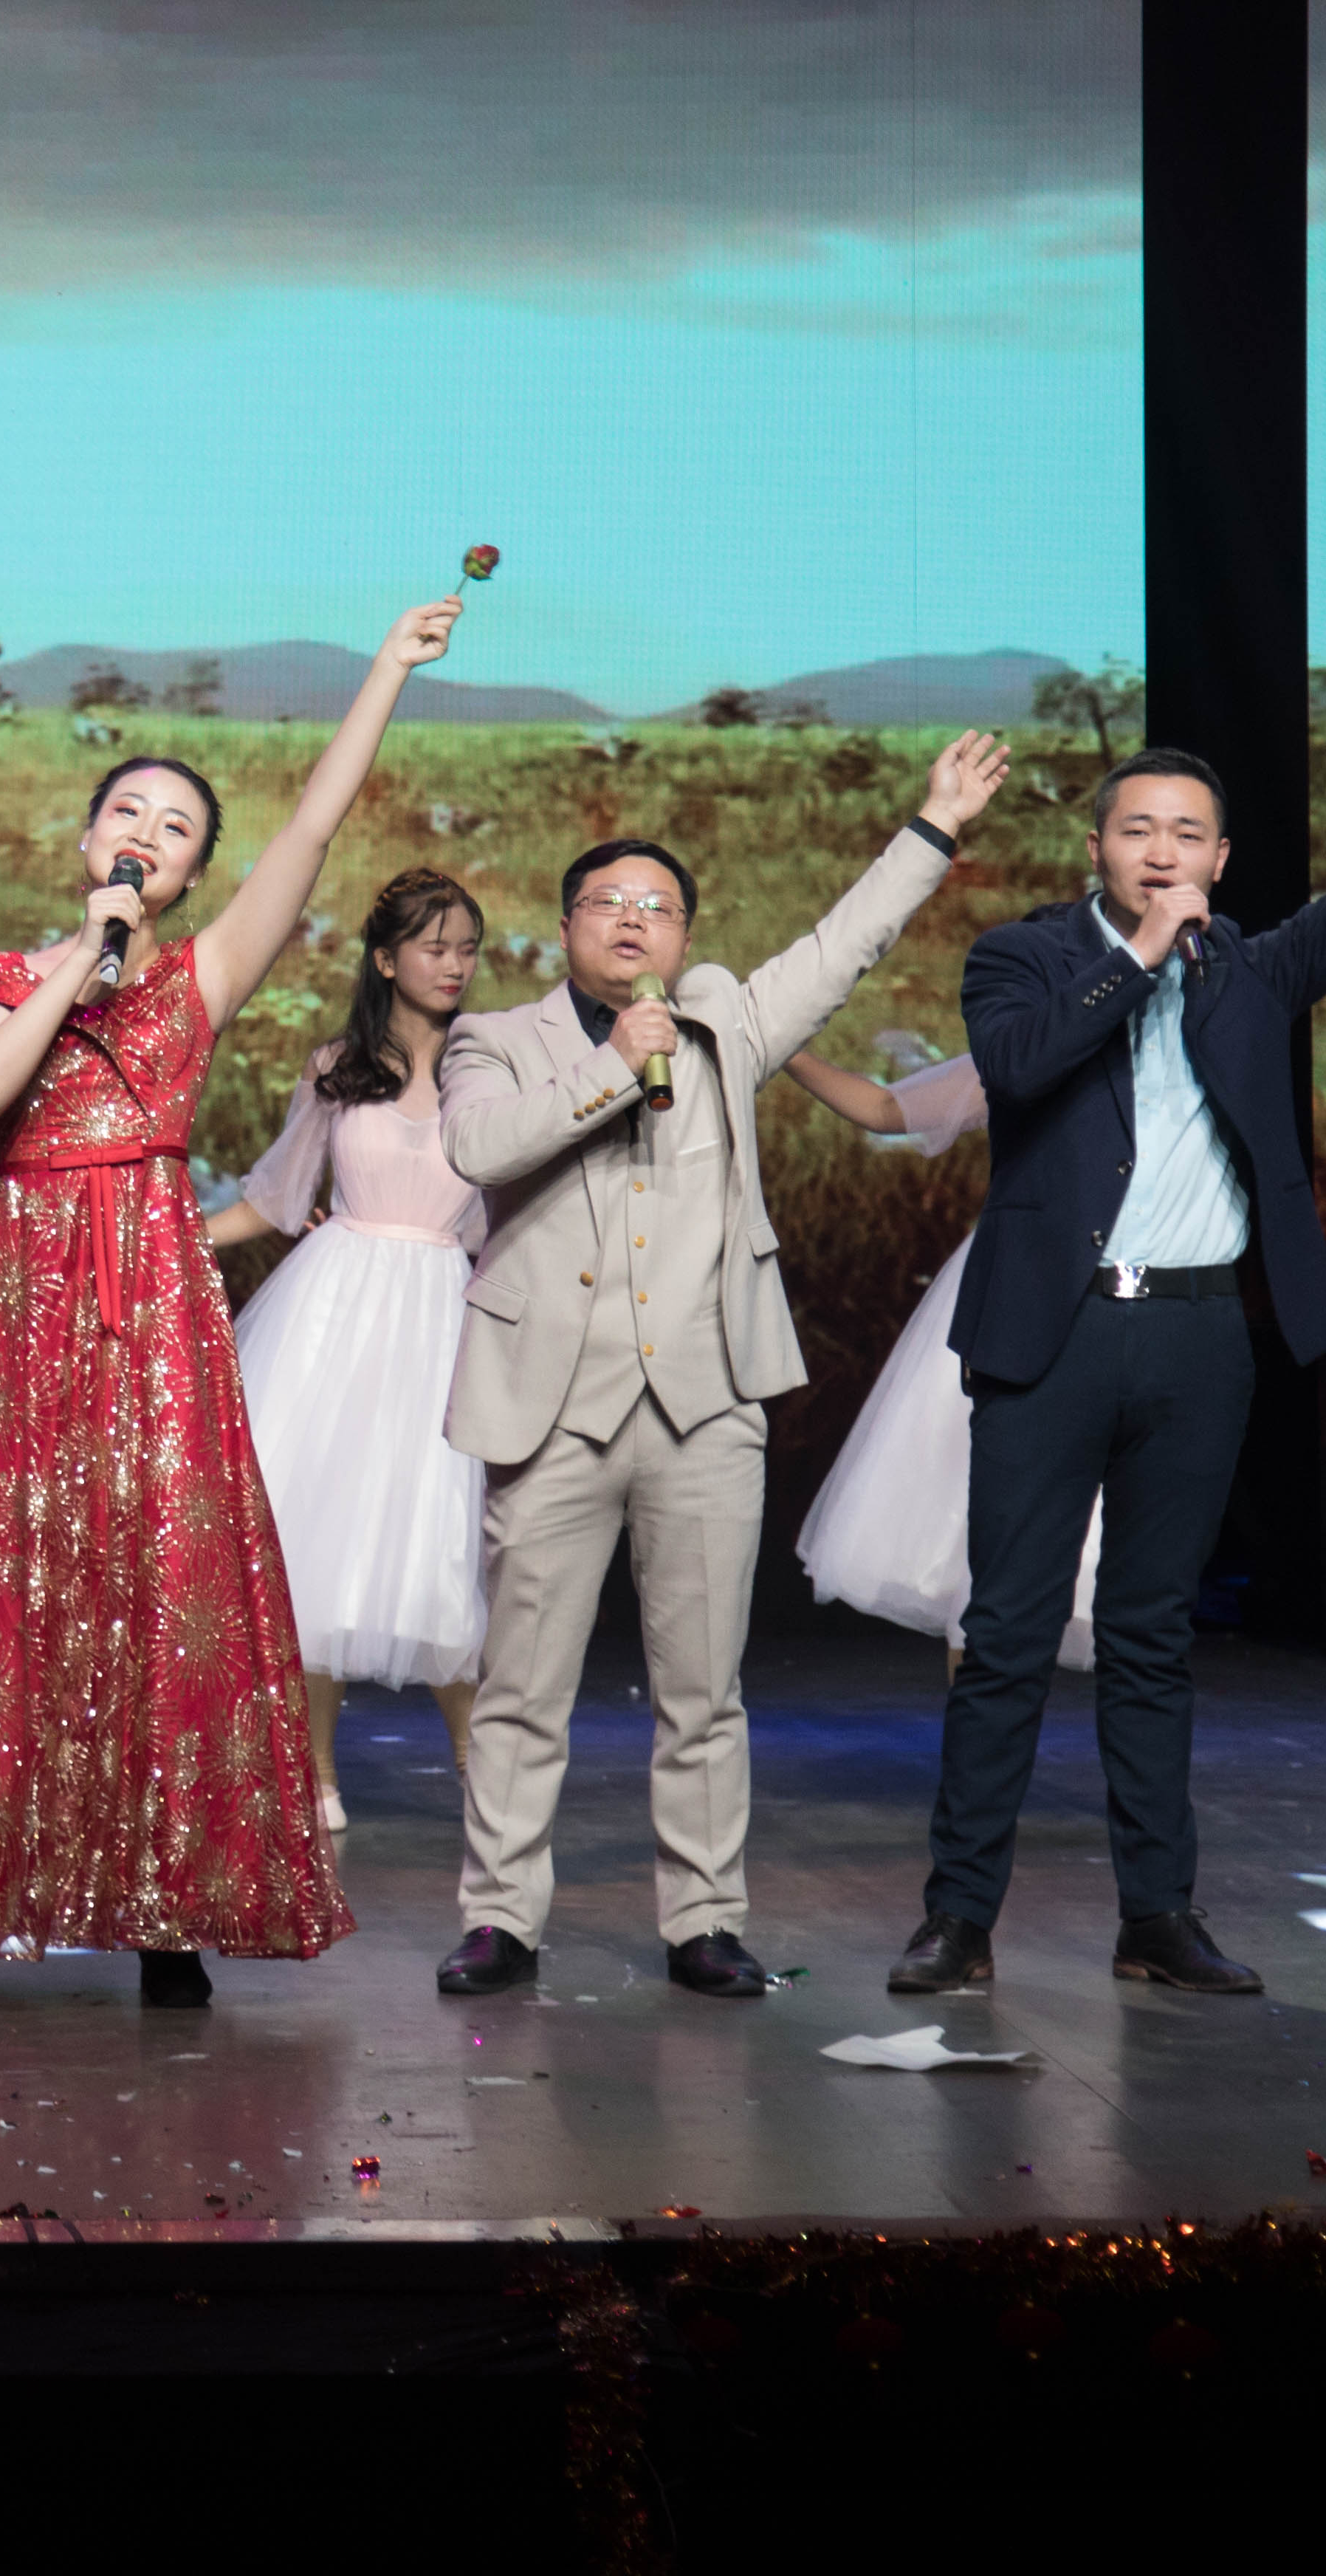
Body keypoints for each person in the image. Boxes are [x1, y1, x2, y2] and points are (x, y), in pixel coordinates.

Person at [892, 648, 1326, 2001]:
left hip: (1197, 1341)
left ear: (1222, 858)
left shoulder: (1256, 972)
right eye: (1137, 831)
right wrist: (1141, 956)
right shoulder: (1022, 958)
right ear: (1096, 848)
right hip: (1050, 1337)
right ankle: (958, 1915)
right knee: (1008, 1636)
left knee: (1152, 1636)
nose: (1162, 851)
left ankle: (1158, 1918)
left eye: (1188, 834)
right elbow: (1021, 1066)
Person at [0, 594, 470, 2013]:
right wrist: (85, 953)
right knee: (2, 1576)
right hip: (29, 1286)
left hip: (153, 1288)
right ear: (88, 841)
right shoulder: (9, 974)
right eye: (130, 814)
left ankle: (172, 1908)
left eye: (178, 828)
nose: (150, 835)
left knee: (163, 1577)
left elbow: (313, 830)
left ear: (195, 869)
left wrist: (384, 671)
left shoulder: (203, 976)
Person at [433, 732, 1012, 2007]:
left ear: (687, 933)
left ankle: (704, 1918)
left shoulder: (727, 1023)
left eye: (659, 906)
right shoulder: (494, 1040)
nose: (634, 920)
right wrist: (613, 1063)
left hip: (703, 1406)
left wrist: (933, 826)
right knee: (522, 1688)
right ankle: (499, 1919)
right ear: (567, 927)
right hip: (551, 1410)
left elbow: (844, 944)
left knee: (703, 1691)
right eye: (609, 902)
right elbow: (483, 1149)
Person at [205, 868, 498, 1834]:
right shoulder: (337, 1066)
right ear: (386, 959)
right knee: (318, 1542)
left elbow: (510, 1209)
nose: (453, 966)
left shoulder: (492, 1066)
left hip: (445, 1312)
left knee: (441, 1547)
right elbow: (277, 1197)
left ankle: (482, 1766)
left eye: (466, 949)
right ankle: (316, 1772)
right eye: (434, 947)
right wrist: (166, 1235)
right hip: (335, 1313)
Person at [777, 1038, 1103, 1669]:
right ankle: (979, 1729)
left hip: (1122, 1299)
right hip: (1009, 1295)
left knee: (1093, 1547)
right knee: (975, 1550)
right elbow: (884, 1108)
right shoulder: (1031, 1047)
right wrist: (781, 1044)